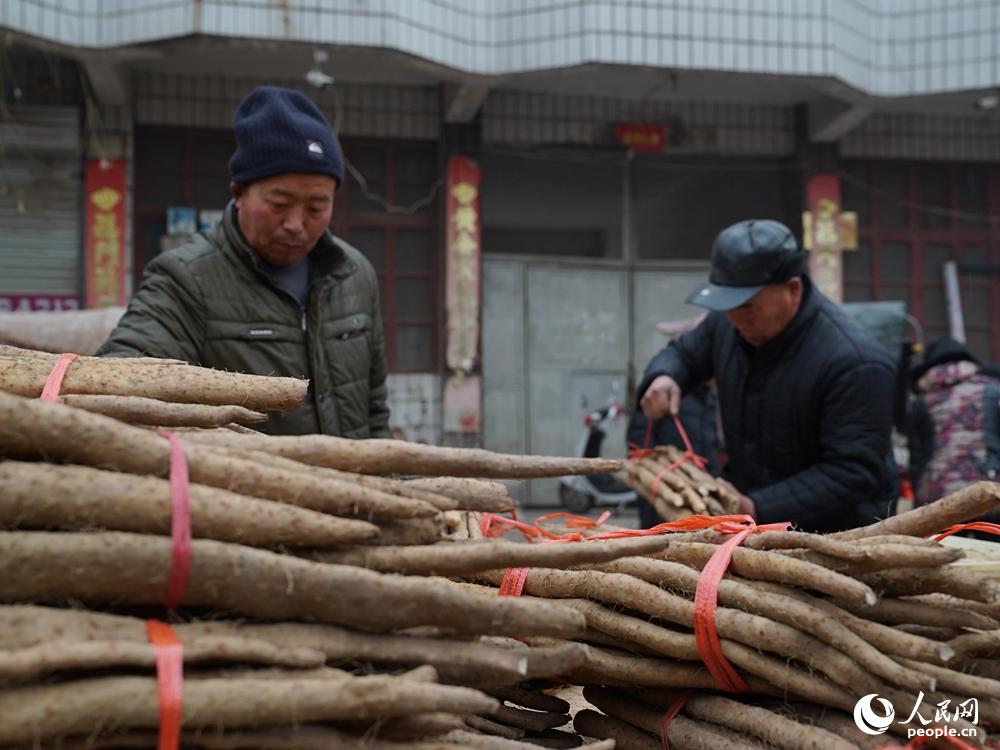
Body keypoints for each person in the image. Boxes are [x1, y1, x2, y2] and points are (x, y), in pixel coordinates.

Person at [98, 86, 389, 438]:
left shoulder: (355, 274)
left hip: (357, 489)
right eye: (279, 204)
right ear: (238, 193)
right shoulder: (185, 279)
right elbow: (120, 376)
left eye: (316, 208)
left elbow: (374, 407)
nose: (296, 224)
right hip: (246, 488)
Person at [637, 219, 898, 532]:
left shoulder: (855, 362)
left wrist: (758, 506)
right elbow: (684, 353)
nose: (737, 321)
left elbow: (853, 471)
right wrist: (666, 376)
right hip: (753, 521)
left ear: (793, 289)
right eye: (728, 307)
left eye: (748, 308)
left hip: (838, 535)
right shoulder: (729, 323)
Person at [908, 336, 1000, 509]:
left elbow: (917, 458)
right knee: (990, 534)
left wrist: (917, 502)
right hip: (990, 490)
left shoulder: (922, 403)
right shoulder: (993, 390)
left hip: (939, 500)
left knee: (947, 537)